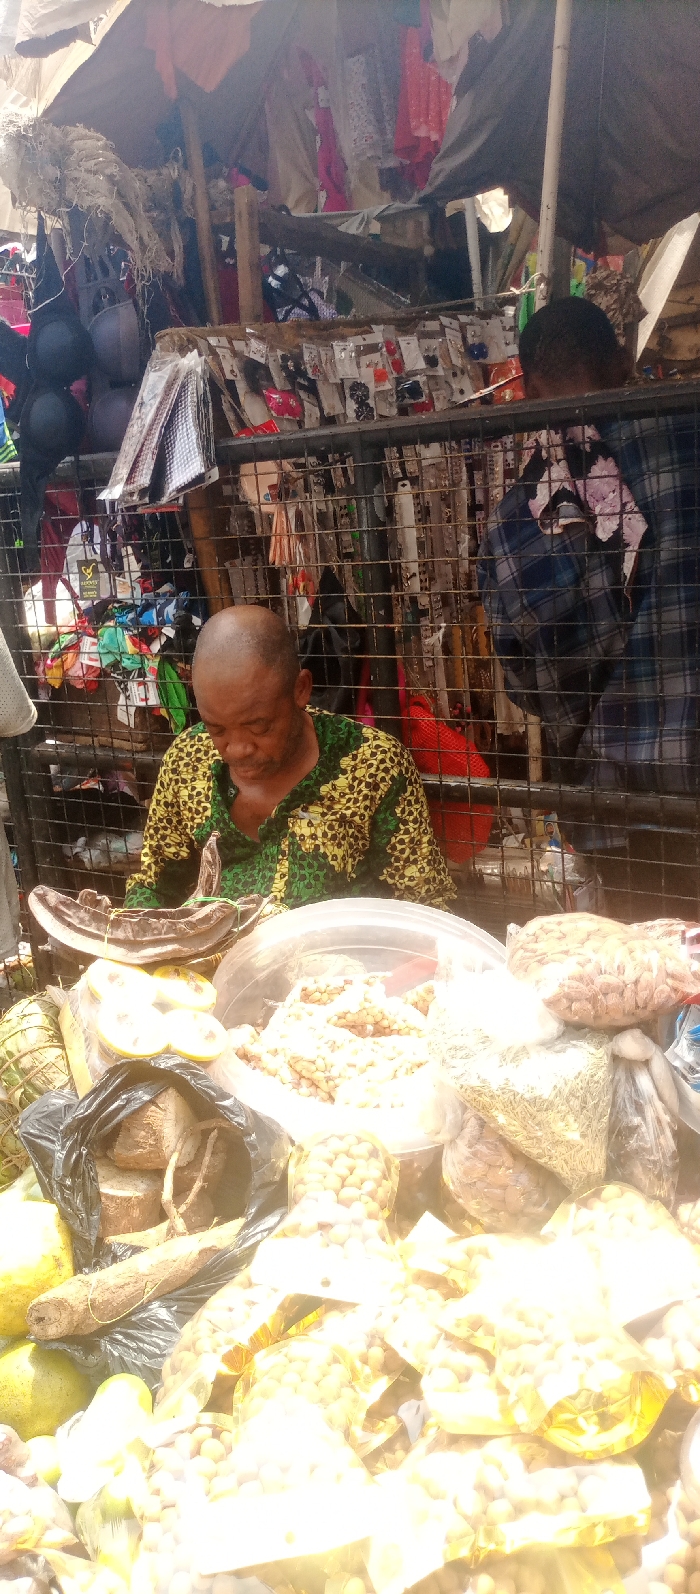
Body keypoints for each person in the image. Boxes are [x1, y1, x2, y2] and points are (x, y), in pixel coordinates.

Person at [477, 295, 700, 915]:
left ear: (528, 389)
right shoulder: (690, 432)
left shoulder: (515, 521)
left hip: (619, 804)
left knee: (647, 960)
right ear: (622, 361)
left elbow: (529, 684)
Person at [125, 605, 455, 913]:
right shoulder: (187, 760)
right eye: (217, 729)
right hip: (215, 956)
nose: (237, 749)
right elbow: (154, 886)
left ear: (300, 689)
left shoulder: (372, 764)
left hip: (341, 955)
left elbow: (426, 903)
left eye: (258, 726)